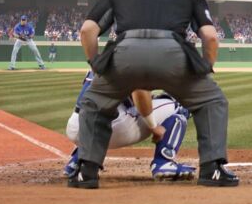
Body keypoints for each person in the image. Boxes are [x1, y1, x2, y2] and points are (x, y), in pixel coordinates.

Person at [70, 0, 236, 189]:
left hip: (124, 56)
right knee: (212, 101)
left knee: (94, 103)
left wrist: (95, 62)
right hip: (173, 56)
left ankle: (85, 171)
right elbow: (209, 36)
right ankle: (212, 169)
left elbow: (87, 30)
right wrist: (205, 67)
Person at [63, 71, 196, 180]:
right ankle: (164, 162)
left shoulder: (105, 56)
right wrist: (154, 127)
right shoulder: (137, 57)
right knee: (180, 105)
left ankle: (79, 160)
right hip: (113, 130)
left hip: (76, 127)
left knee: (99, 108)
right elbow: (139, 92)